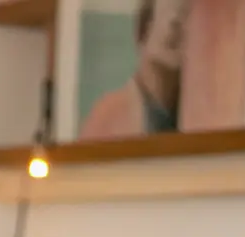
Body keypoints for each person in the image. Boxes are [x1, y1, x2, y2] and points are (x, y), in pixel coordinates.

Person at [79, 0, 188, 139]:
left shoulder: (197, 114)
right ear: (142, 33)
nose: (175, 21)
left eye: (185, 14)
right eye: (167, 12)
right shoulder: (108, 115)